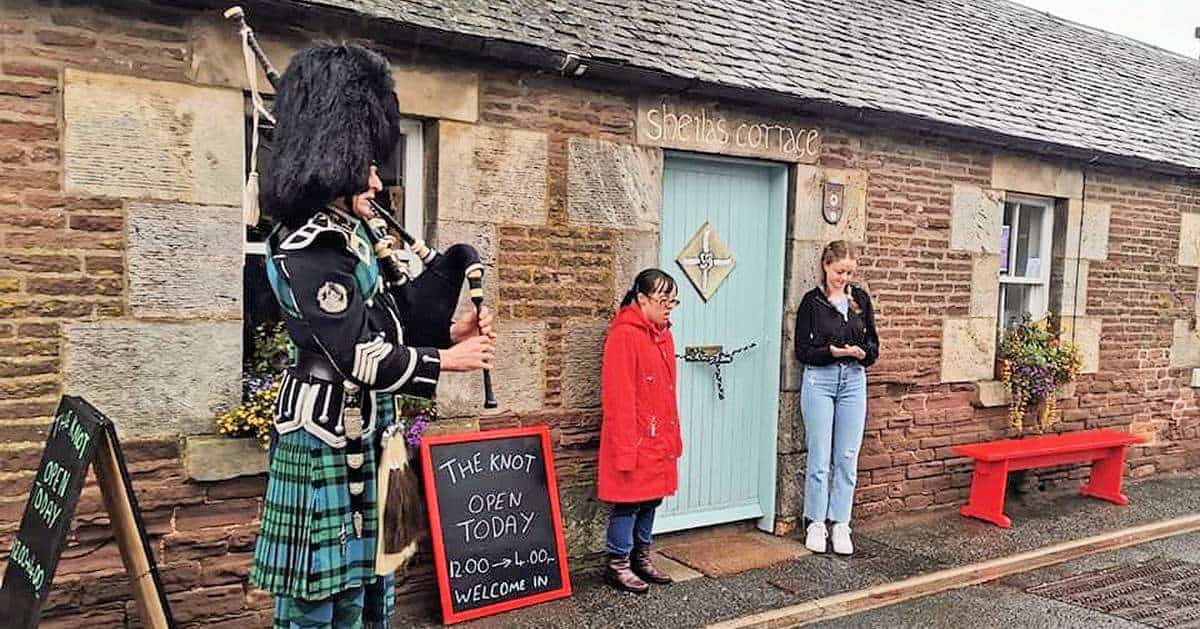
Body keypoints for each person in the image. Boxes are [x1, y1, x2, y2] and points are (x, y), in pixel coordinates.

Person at [248, 43, 494, 629]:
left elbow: (386, 321)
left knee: (365, 583)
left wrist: (451, 328)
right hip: (324, 429)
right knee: (317, 598)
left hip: (370, 428)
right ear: (338, 161)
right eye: (370, 167)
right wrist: (450, 361)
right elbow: (359, 354)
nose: (379, 182)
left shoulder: (352, 235)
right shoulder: (312, 250)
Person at [597, 269, 682, 593]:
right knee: (628, 502)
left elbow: (667, 391)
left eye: (673, 301)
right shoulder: (624, 335)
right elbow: (619, 397)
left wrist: (673, 435)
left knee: (652, 500)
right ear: (641, 299)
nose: (669, 307)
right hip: (634, 435)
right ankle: (618, 563)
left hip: (659, 434)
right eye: (663, 300)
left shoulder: (663, 333)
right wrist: (625, 447)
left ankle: (641, 557)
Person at [793, 240, 879, 556]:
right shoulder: (811, 303)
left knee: (846, 457)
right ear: (826, 265)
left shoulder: (860, 300)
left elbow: (874, 347)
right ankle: (815, 521)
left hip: (854, 382)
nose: (844, 278)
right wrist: (831, 352)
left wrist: (860, 353)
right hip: (820, 381)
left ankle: (841, 522)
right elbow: (802, 351)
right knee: (819, 455)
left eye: (849, 273)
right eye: (840, 271)